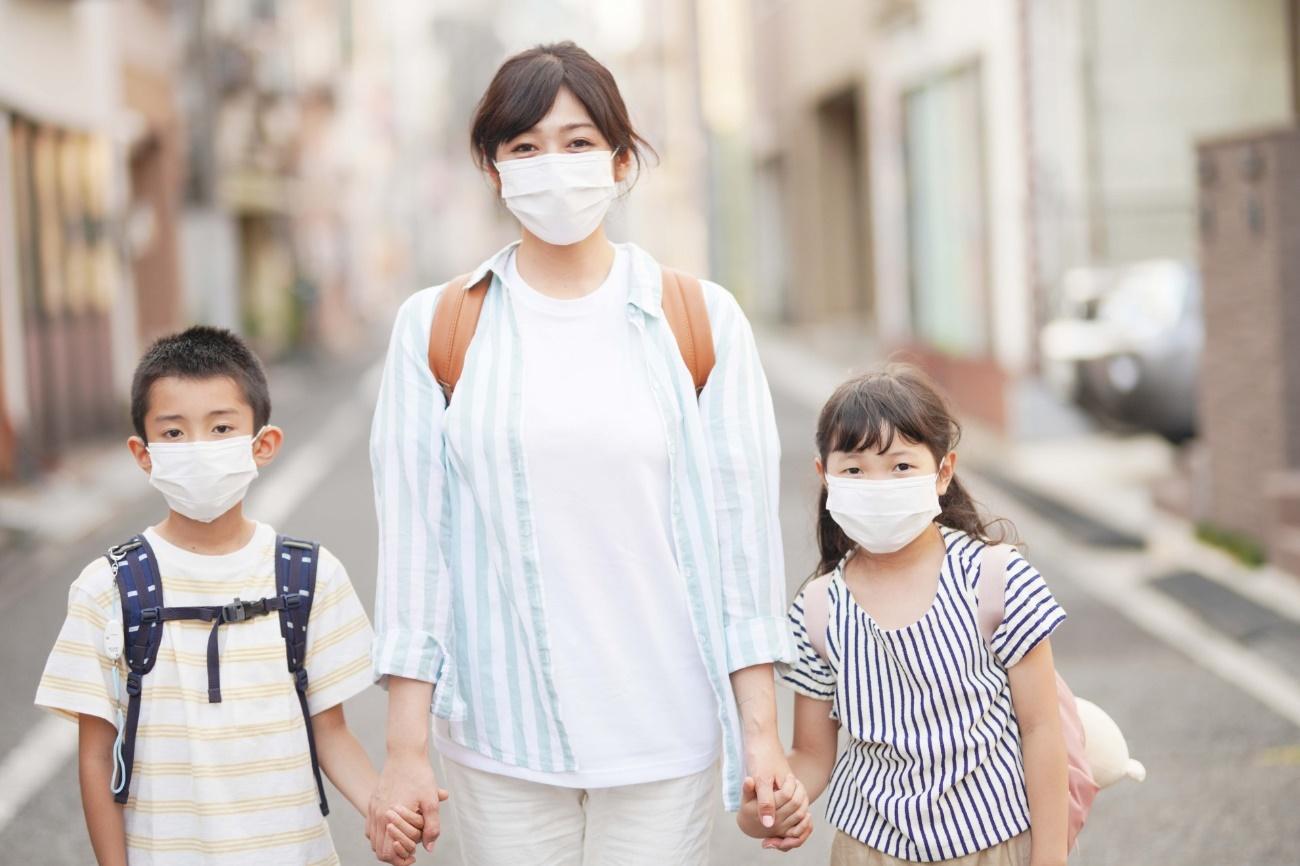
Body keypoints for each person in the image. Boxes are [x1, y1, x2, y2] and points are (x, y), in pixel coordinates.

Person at [366, 41, 804, 865]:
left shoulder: (700, 321)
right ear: (494, 171)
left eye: (576, 142)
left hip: (663, 731)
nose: (552, 166)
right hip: (501, 739)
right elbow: (415, 552)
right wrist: (404, 749)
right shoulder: (437, 329)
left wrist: (762, 739)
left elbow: (743, 549)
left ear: (621, 159)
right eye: (524, 147)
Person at [35, 326, 428, 866]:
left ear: (261, 444)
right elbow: (96, 756)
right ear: (143, 453)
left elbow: (330, 733)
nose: (198, 449)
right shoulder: (107, 588)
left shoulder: (308, 576)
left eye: (221, 428)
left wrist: (380, 808)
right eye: (174, 434)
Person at [740, 364, 1070, 866]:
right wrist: (772, 805)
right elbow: (811, 755)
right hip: (869, 850)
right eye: (853, 469)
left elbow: (1043, 729)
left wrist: (1050, 858)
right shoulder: (818, 609)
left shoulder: (996, 578)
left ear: (943, 472)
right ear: (825, 477)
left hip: (994, 844)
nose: (876, 484)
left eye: (899, 467)